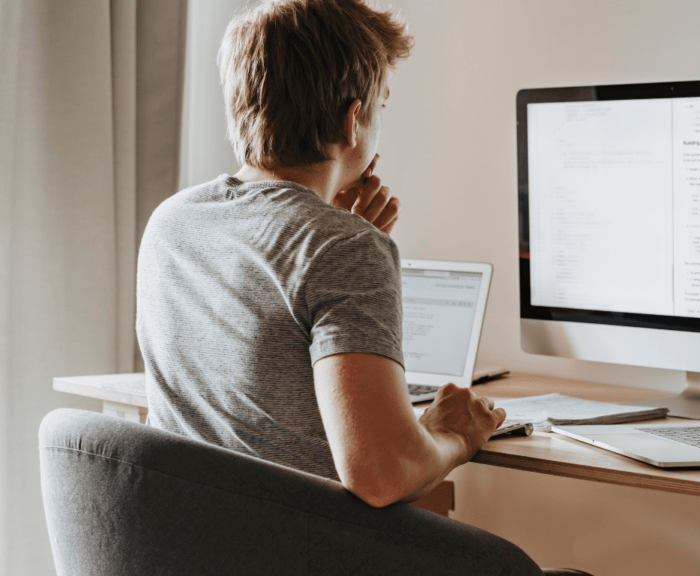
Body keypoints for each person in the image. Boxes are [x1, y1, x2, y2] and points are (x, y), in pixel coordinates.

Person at [136, 1, 590, 573]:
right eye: (380, 107)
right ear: (353, 121)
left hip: (197, 550)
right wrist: (452, 434)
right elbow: (380, 474)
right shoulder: (343, 247)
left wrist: (335, 226)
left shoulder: (172, 222)